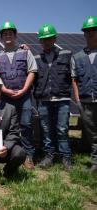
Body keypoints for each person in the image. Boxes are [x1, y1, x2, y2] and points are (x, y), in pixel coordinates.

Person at [0, 21, 37, 170]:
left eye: (10, 33)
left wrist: (24, 89)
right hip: (5, 96)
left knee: (25, 126)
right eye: (5, 34)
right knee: (6, 126)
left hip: (24, 96)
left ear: (15, 35)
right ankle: (6, 153)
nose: (7, 36)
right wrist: (4, 90)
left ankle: (28, 156)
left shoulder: (25, 51)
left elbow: (32, 71)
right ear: (1, 37)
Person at [33, 24, 73, 170]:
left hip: (62, 99)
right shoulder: (37, 58)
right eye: (43, 40)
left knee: (62, 128)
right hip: (44, 100)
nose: (46, 42)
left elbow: (73, 77)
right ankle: (49, 155)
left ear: (54, 38)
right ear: (40, 42)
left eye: (49, 39)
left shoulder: (66, 54)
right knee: (46, 129)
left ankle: (65, 156)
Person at [72, 16, 97, 173]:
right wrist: (78, 100)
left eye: (93, 30)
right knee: (93, 134)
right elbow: (74, 79)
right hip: (86, 101)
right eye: (87, 31)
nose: (90, 34)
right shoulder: (77, 56)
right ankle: (96, 162)